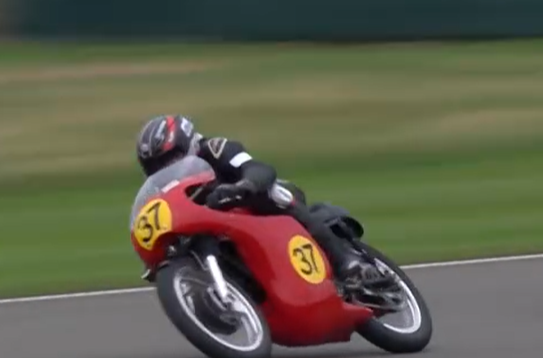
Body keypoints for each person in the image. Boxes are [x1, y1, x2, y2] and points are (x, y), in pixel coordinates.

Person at [134, 114, 395, 292]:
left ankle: (348, 263)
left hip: (256, 204)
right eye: (158, 166)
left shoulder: (215, 148)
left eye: (171, 159)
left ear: (188, 143)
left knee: (275, 193)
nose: (167, 168)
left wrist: (243, 186)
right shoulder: (163, 186)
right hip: (218, 228)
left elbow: (258, 168)